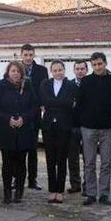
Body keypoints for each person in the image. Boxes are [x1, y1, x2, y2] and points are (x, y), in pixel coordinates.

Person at [0, 61, 38, 204]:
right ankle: (7, 192)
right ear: (8, 72)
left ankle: (19, 191)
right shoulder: (1, 86)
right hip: (7, 130)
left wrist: (24, 118)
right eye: (13, 71)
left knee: (20, 163)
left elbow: (34, 106)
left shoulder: (28, 85)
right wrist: (8, 119)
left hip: (24, 131)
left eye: (18, 71)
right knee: (7, 163)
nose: (16, 74)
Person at [75, 52, 111, 206]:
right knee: (89, 162)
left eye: (100, 64)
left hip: (108, 128)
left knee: (106, 163)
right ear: (91, 66)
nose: (97, 67)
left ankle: (104, 194)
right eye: (94, 65)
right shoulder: (86, 81)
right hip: (89, 128)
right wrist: (82, 122)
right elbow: (79, 103)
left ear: (105, 63)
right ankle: (91, 193)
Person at [39, 60, 79, 203]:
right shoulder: (45, 84)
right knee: (50, 158)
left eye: (60, 70)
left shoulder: (71, 85)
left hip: (64, 126)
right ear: (51, 71)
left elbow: (71, 104)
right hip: (48, 126)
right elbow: (45, 101)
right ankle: (52, 190)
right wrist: (62, 103)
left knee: (62, 159)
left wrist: (57, 103)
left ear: (64, 70)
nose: (58, 73)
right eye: (55, 70)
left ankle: (60, 191)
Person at [20, 43, 48, 191]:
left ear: (34, 55)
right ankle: (17, 179)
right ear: (21, 55)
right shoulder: (15, 69)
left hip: (35, 113)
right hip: (19, 113)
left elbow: (44, 91)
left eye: (31, 55)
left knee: (32, 149)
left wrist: (41, 106)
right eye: (26, 55)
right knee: (18, 150)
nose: (28, 58)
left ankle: (32, 179)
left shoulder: (42, 70)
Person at [67, 60, 88, 195]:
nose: (80, 71)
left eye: (82, 69)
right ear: (74, 70)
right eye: (77, 69)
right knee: (72, 158)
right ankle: (75, 185)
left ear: (86, 70)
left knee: (88, 158)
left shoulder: (91, 83)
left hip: (87, 126)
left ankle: (88, 186)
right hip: (72, 126)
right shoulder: (68, 85)